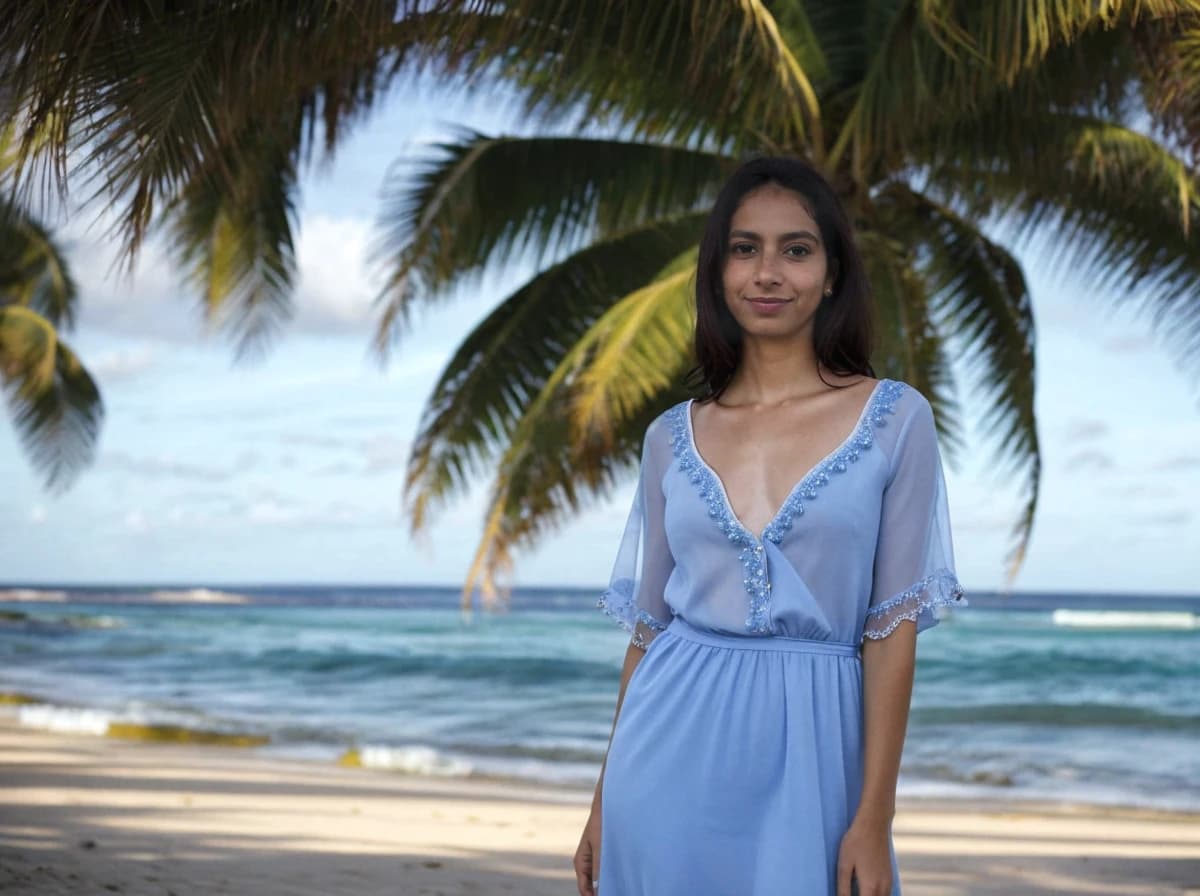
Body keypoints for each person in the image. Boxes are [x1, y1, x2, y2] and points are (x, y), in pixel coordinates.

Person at [573, 155, 965, 896]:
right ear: (718, 271)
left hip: (816, 756)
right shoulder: (671, 437)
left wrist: (873, 819)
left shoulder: (895, 419)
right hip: (661, 761)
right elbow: (648, 633)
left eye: (797, 249)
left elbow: (891, 633)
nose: (768, 273)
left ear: (832, 271)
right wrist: (601, 802)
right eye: (744, 248)